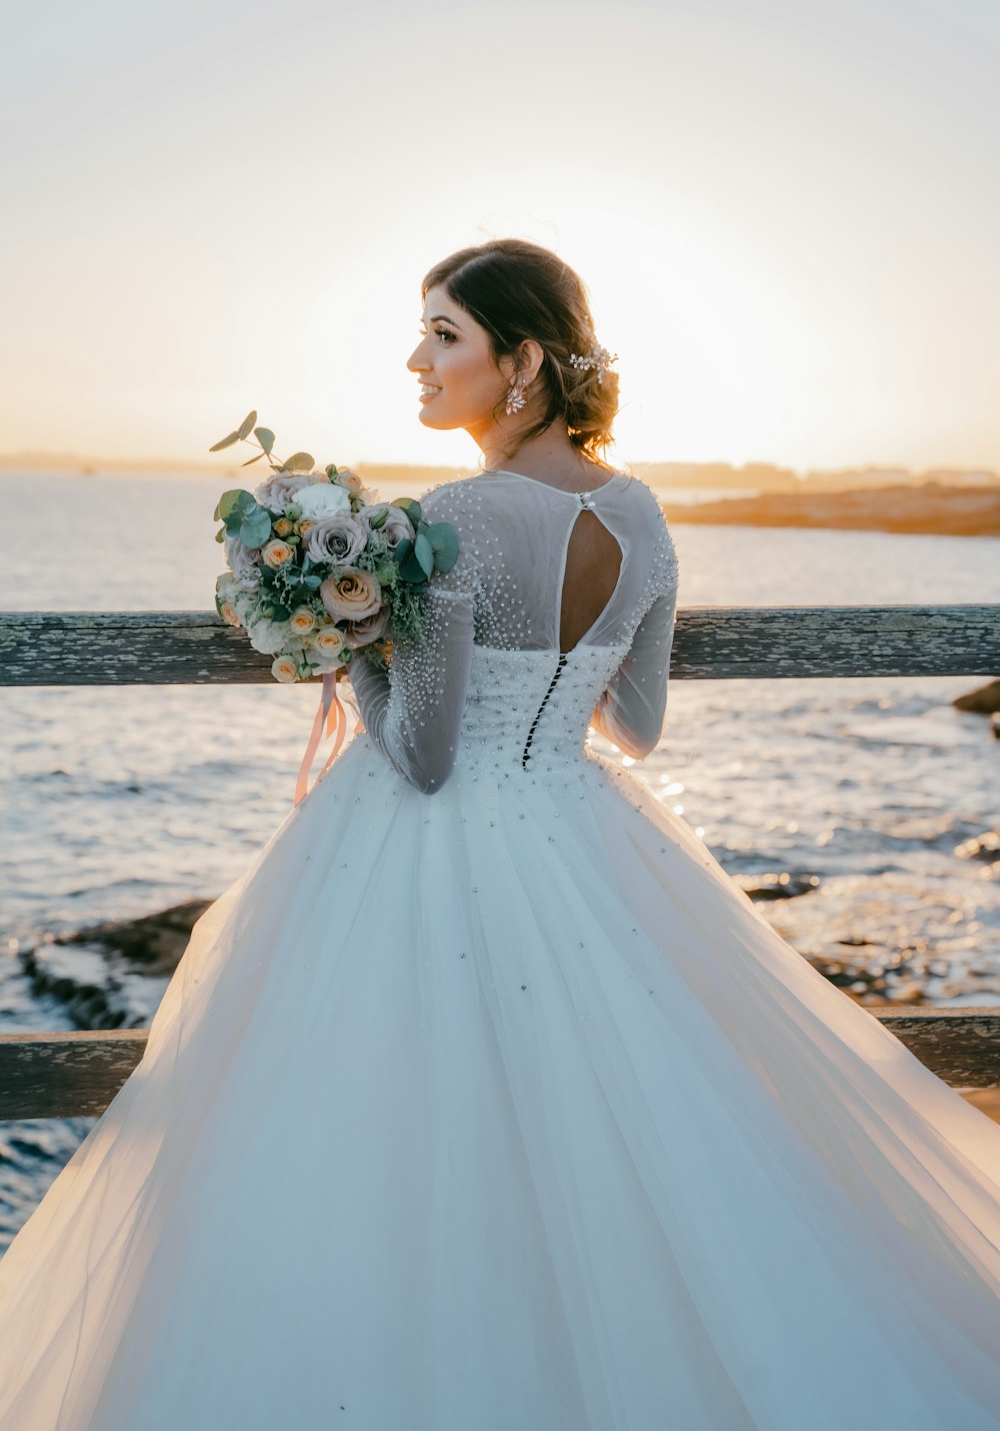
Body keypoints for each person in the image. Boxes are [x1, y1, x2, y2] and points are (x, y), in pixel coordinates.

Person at [0, 239, 999, 1431]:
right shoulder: (640, 513)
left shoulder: (446, 520)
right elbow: (636, 725)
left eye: (443, 335)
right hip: (577, 829)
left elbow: (419, 757)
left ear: (520, 361)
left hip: (426, 848)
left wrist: (343, 640)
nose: (415, 360)